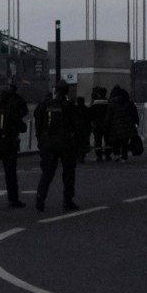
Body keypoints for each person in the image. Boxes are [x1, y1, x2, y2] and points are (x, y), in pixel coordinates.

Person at [34, 81, 88, 211]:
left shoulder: (44, 105)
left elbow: (38, 125)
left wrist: (41, 140)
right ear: (66, 92)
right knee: (68, 172)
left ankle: (40, 197)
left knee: (47, 172)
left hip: (48, 141)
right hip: (65, 142)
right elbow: (77, 126)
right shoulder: (69, 106)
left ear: (55, 90)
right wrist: (80, 144)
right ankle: (67, 200)